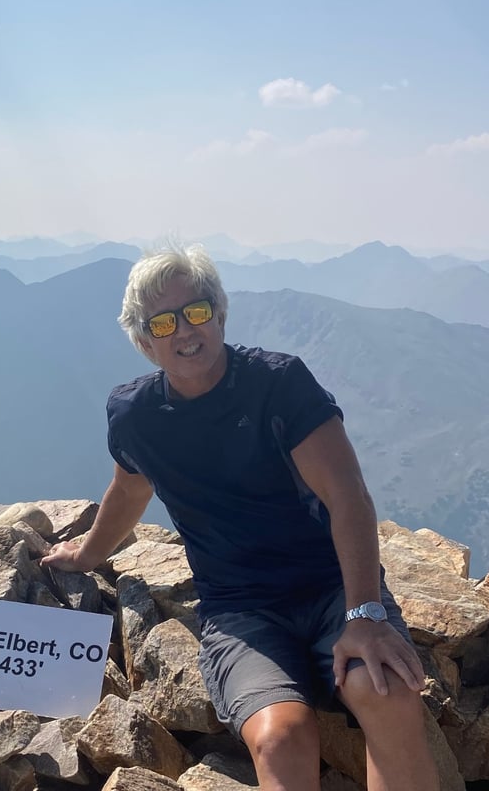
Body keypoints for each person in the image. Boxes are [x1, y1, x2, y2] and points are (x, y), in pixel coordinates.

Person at [41, 242, 440, 791]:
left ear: (220, 313)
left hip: (334, 591)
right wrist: (86, 554)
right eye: (163, 322)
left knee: (388, 694)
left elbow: (347, 497)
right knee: (280, 736)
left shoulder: (279, 386)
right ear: (143, 341)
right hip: (242, 612)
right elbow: (130, 489)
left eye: (197, 310)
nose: (185, 330)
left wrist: (365, 615)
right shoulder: (136, 417)